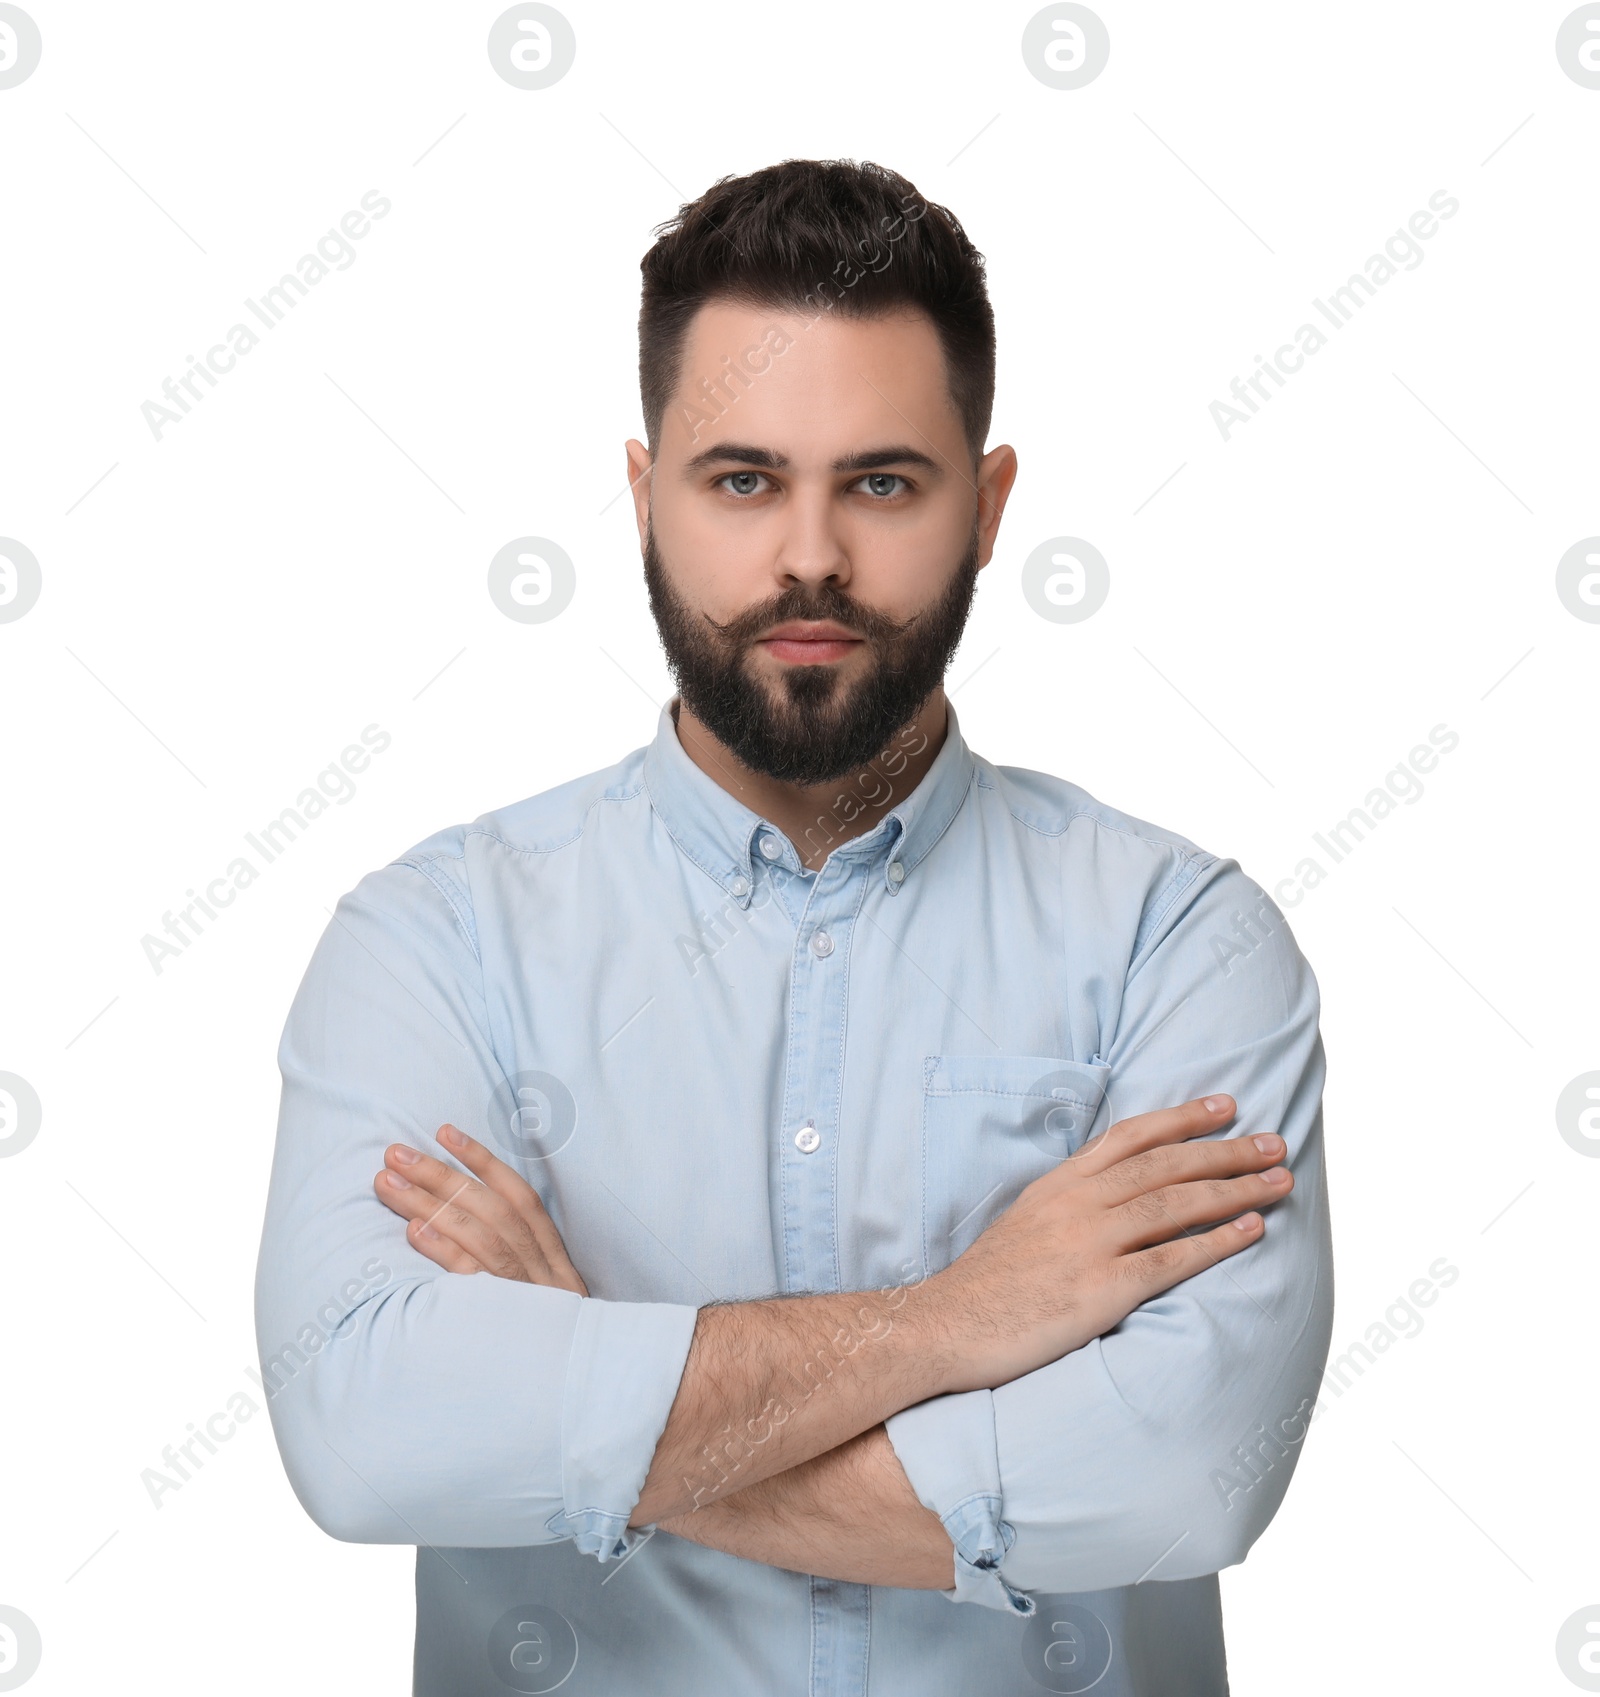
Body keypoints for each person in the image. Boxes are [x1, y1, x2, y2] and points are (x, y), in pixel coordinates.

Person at [255, 158, 1332, 1697]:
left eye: (882, 481)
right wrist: (964, 1317)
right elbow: (364, 1433)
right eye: (743, 479)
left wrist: (598, 1390)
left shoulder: (1184, 941)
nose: (810, 554)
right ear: (645, 496)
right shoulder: (438, 943)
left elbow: (1186, 1475)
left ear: (990, 503)